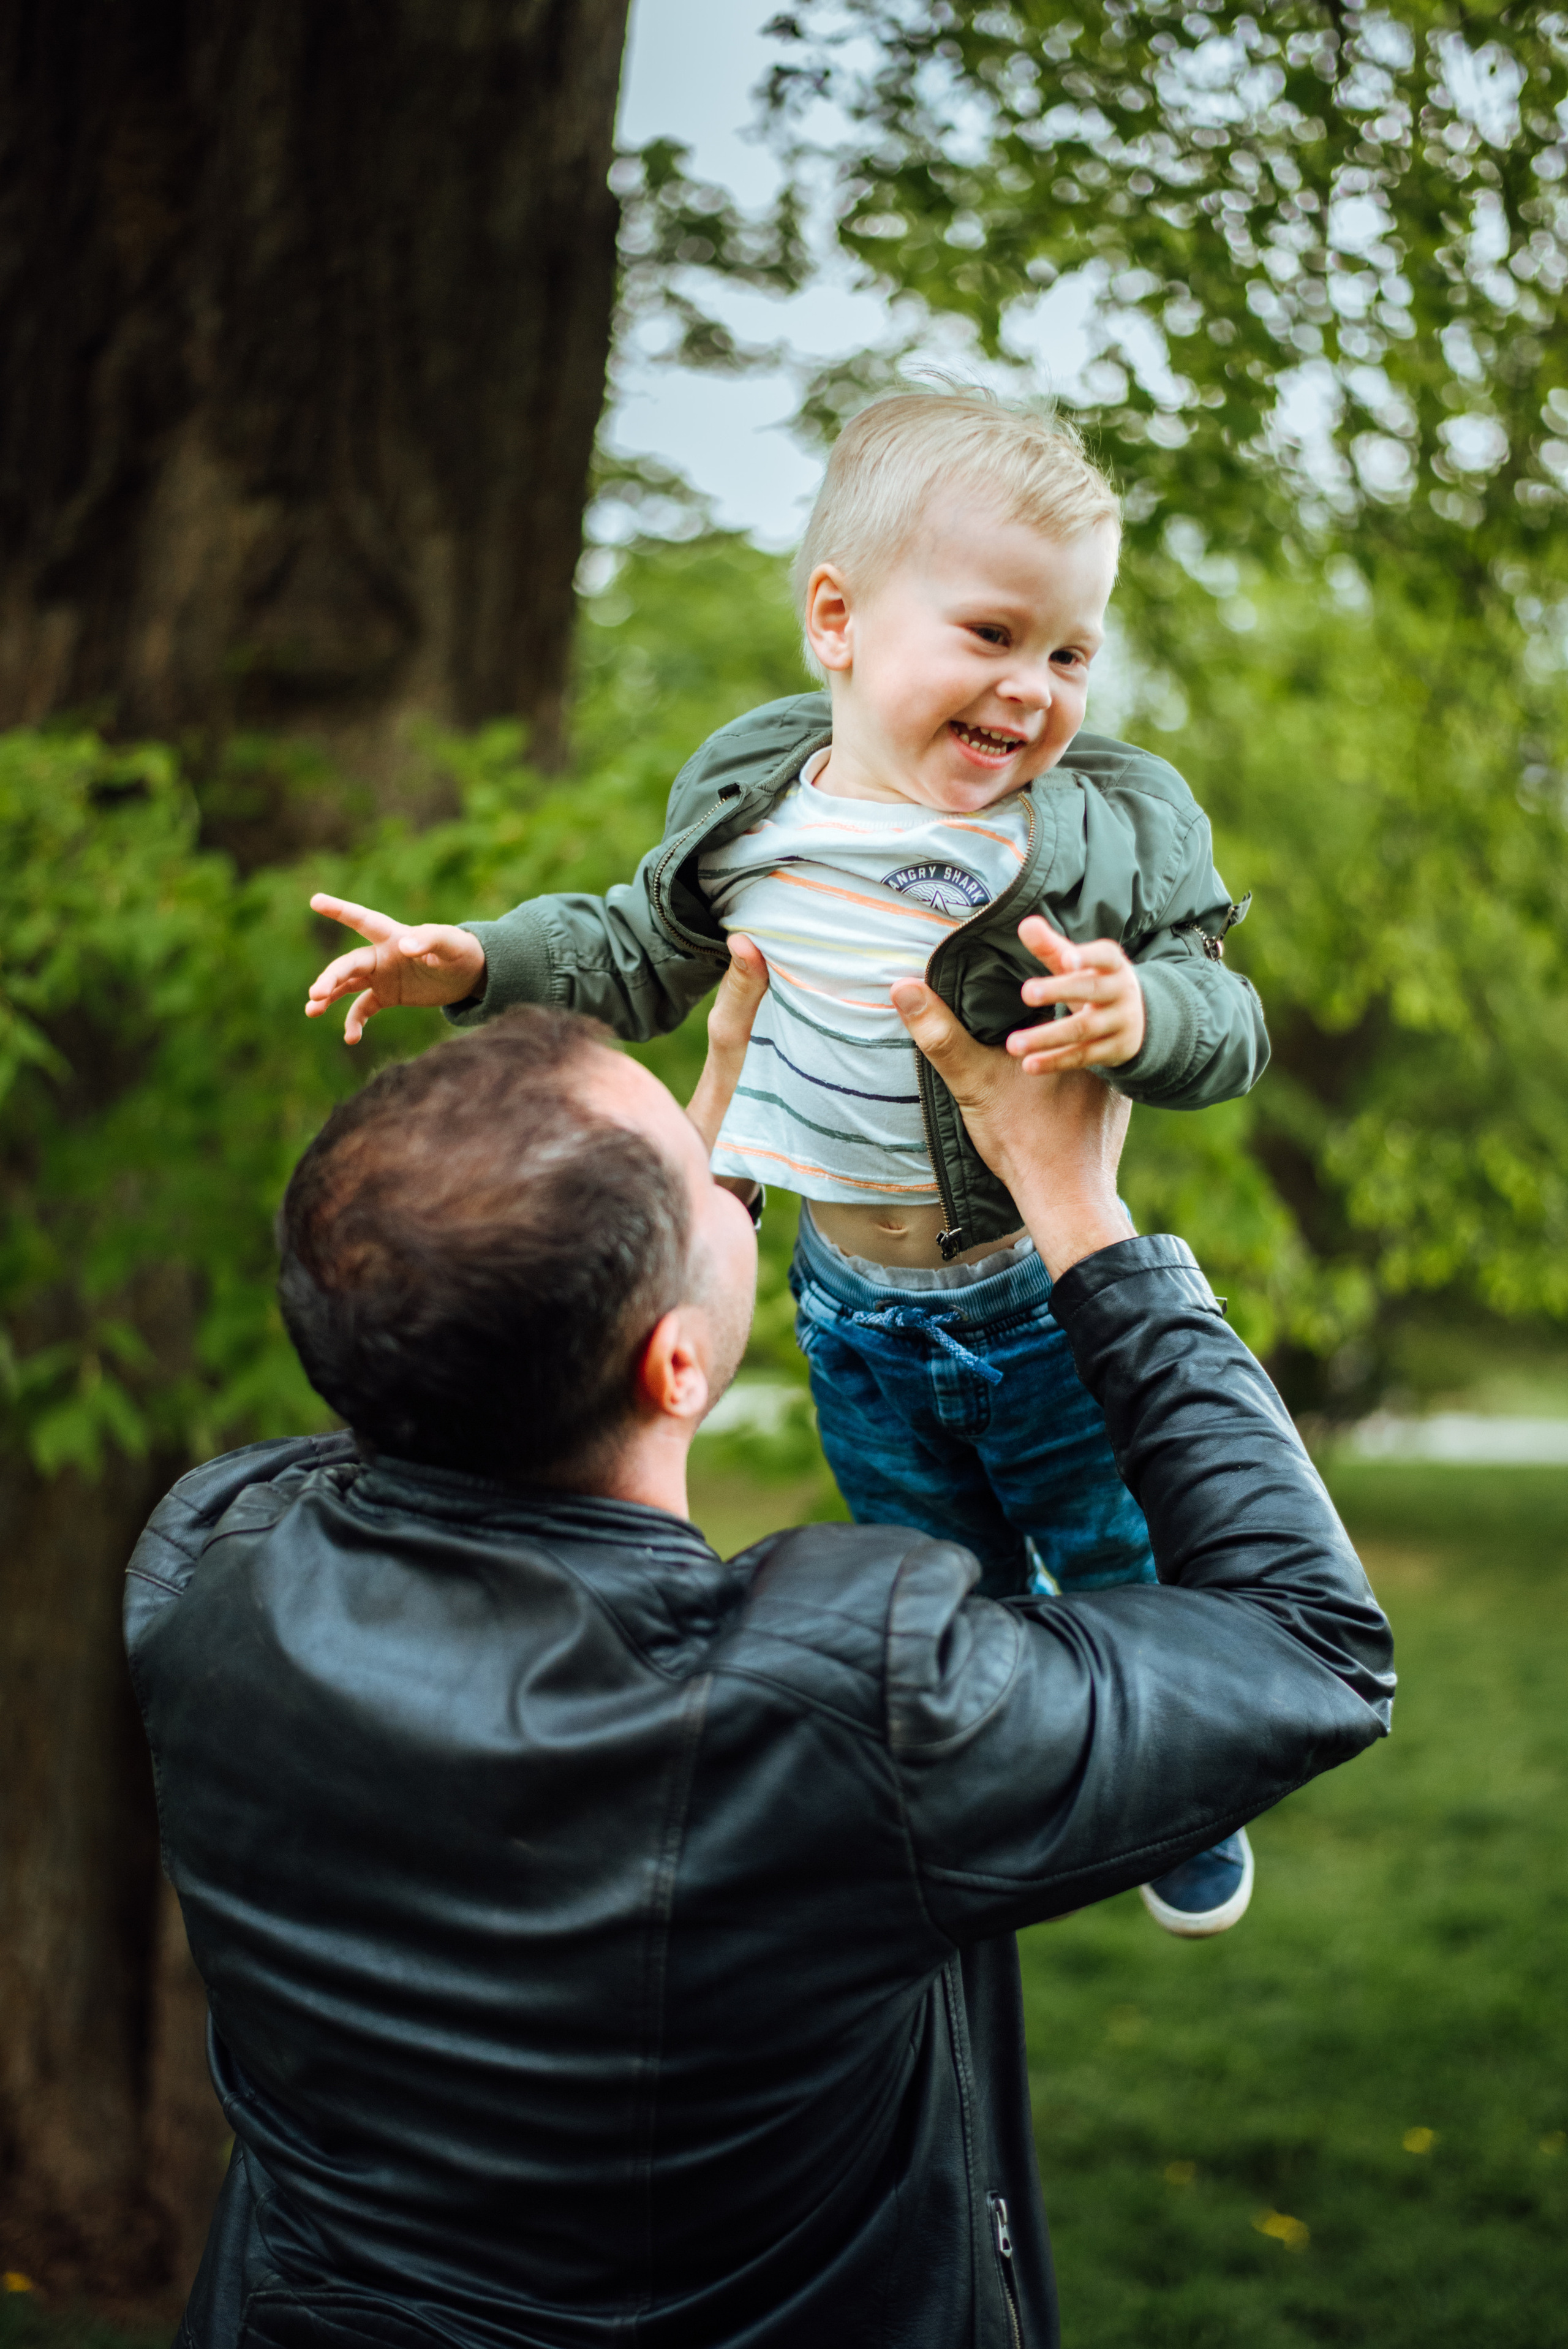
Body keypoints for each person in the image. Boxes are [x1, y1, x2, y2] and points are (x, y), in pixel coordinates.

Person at [126, 950, 1393, 2349]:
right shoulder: (837, 1710)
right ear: (674, 1365)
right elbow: (1308, 1640)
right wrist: (1079, 1210)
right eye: (697, 1159)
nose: (722, 1139)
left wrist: (637, 1229)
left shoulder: (212, 1569)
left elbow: (433, 1357)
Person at [302, 392, 1270, 1936]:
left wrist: (1143, 1012)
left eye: (1068, 654)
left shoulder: (1097, 841)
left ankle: (1178, 1789)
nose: (1030, 688)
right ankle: (995, 1790)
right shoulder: (756, 810)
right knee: (931, 1577)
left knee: (1111, 1549)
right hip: (847, 1307)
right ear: (836, 621)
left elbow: (1228, 1021)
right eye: (990, 634)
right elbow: (633, 947)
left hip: (1027, 1297)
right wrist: (476, 959)